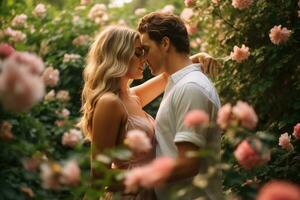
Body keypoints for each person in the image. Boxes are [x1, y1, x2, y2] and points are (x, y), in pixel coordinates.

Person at [137, 12, 223, 199]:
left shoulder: (190, 88)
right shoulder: (179, 84)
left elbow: (188, 164)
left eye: (146, 49)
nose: (143, 58)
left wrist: (138, 179)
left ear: (165, 43)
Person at [79, 25, 168, 199]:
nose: (144, 59)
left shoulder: (131, 97)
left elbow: (167, 78)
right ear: (118, 55)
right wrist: (152, 176)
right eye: (138, 53)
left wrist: (195, 60)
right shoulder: (109, 103)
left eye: (144, 52)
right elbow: (99, 177)